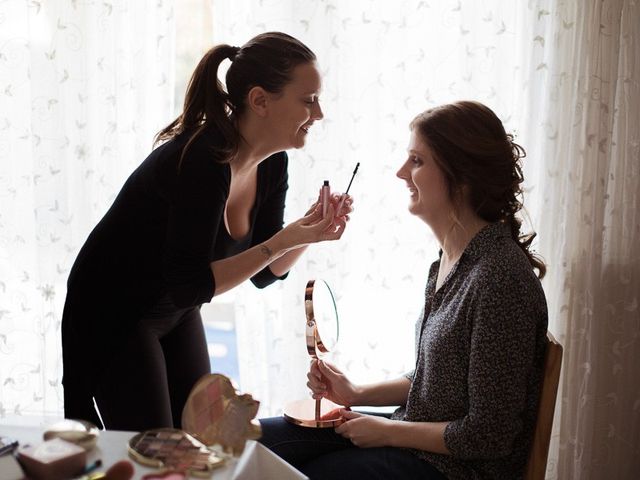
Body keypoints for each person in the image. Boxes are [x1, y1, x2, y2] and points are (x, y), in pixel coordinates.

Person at [61, 32, 353, 431]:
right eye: (308, 100)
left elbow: (266, 274)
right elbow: (192, 283)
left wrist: (307, 233)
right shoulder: (202, 160)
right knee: (159, 454)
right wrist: (284, 238)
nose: (318, 113)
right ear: (260, 100)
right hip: (115, 311)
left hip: (176, 309)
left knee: (200, 440)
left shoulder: (272, 164)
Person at [259, 100, 548, 480]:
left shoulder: (500, 279)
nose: (400, 172)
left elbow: (487, 436)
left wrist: (389, 432)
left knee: (314, 471)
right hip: (418, 444)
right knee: (258, 441)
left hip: (456, 470)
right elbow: (436, 382)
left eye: (416, 161)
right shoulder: (451, 260)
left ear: (460, 176)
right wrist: (355, 394)